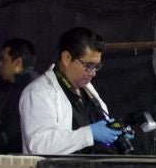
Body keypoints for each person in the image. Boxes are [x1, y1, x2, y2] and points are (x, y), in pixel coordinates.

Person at [20, 27, 123, 155]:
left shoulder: (87, 89)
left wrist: (117, 134)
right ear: (66, 58)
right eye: (88, 66)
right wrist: (89, 134)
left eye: (97, 67)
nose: (93, 73)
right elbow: (39, 144)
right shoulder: (38, 92)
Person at [0, 38, 36, 154]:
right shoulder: (21, 86)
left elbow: (13, 131)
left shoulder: (29, 89)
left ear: (18, 62)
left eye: (4, 60)